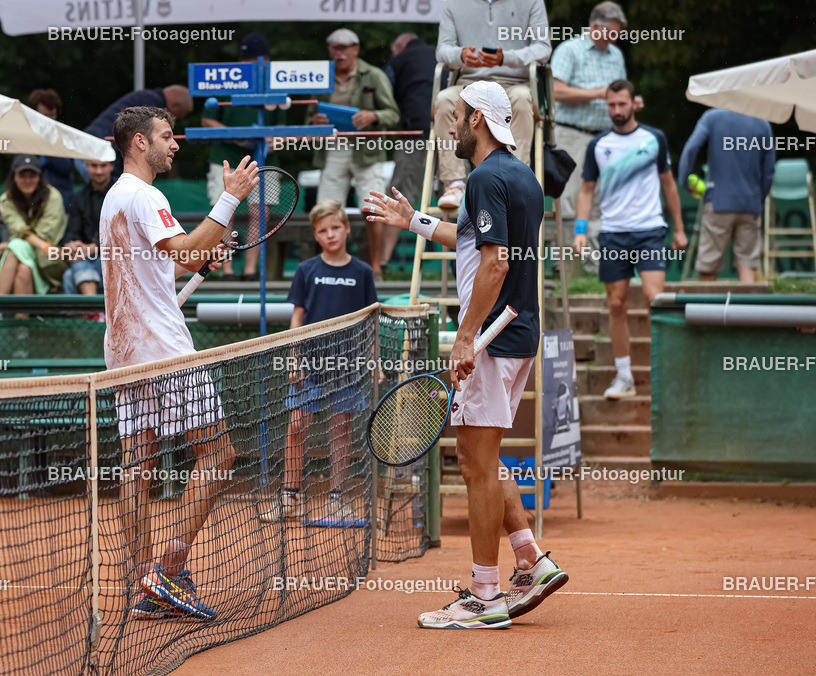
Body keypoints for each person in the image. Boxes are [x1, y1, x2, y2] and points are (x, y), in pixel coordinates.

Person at [364, 81, 568, 629]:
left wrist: (463, 338)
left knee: (475, 466)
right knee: (487, 458)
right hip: (518, 334)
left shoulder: (481, 177)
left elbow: (495, 265)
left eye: (455, 117)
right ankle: (531, 559)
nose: (449, 127)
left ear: (477, 119)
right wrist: (414, 222)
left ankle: (484, 596)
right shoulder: (521, 175)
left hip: (490, 338)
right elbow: (477, 241)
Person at [99, 106, 257, 619]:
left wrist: (199, 256)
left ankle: (141, 580)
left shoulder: (114, 199)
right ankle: (168, 569)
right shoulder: (145, 195)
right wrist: (230, 198)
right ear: (139, 143)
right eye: (167, 137)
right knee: (219, 453)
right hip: (163, 349)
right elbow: (187, 249)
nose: (175, 144)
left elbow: (177, 260)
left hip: (125, 350)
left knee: (136, 466)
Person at [260, 200, 377, 524]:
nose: (330, 235)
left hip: (349, 366)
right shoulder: (306, 270)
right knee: (296, 428)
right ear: (316, 234)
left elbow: (369, 323)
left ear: (347, 228)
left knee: (341, 430)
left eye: (335, 228)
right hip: (309, 364)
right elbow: (297, 317)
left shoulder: (362, 273)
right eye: (323, 231)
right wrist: (293, 359)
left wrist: (374, 362)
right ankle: (290, 497)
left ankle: (337, 498)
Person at [573, 79, 686, 399]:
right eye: (611, 105)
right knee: (617, 303)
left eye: (622, 104)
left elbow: (669, 185)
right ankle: (625, 377)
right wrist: (580, 232)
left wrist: (678, 228)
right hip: (612, 234)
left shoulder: (655, 138)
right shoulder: (598, 145)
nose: (617, 111)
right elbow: (586, 191)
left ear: (634, 103)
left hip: (650, 230)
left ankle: (666, 372)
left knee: (655, 299)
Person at [434, 0, 551, 209]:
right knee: (443, 100)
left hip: (514, 84)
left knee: (523, 99)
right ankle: (454, 183)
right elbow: (442, 50)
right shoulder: (454, 3)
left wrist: (505, 58)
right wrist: (460, 54)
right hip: (468, 85)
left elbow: (543, 49)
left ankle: (515, 181)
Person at [552, 1, 637, 272]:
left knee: (601, 200)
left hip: (606, 136)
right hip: (571, 133)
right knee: (569, 198)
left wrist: (630, 104)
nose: (614, 38)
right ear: (595, 27)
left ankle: (595, 268)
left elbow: (619, 94)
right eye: (611, 33)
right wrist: (598, 93)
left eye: (617, 34)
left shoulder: (616, 56)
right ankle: (567, 268)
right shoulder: (569, 50)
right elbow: (556, 91)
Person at [308, 28, 400, 279]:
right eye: (335, 48)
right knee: (325, 209)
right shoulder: (320, 77)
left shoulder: (374, 75)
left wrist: (373, 116)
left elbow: (393, 114)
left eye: (344, 48)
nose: (339, 53)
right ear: (329, 50)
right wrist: (315, 121)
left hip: (367, 149)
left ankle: (376, 268)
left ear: (356, 48)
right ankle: (327, 266)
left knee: (373, 210)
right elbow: (308, 116)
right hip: (333, 148)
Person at [201, 32, 281, 281]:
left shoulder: (274, 85)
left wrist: (270, 140)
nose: (253, 66)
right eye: (247, 61)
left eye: (258, 61)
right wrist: (233, 135)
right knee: (225, 212)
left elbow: (281, 129)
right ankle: (226, 269)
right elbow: (206, 120)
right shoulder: (227, 79)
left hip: (262, 159)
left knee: (260, 213)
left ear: (267, 60)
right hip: (226, 157)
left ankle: (249, 271)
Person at [677, 108, 775, 283]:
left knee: (708, 267)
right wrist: (757, 199)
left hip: (718, 202)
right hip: (750, 205)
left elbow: (691, 148)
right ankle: (748, 310)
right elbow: (769, 171)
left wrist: (685, 181)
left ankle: (708, 311)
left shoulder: (712, 117)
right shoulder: (763, 123)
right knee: (747, 267)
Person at [383, 32, 440, 269]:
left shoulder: (397, 61)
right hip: (449, 132)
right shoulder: (441, 54)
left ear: (399, 47)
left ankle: (383, 261)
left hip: (412, 135)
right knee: (454, 195)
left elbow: (386, 97)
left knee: (398, 195)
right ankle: (464, 257)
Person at [0, 155, 68, 295]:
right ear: (14, 177)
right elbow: (20, 229)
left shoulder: (53, 196)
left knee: (16, 246)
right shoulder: (6, 199)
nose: (27, 180)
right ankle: (21, 316)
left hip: (49, 263)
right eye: (22, 175)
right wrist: (16, 242)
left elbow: (44, 236)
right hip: (25, 258)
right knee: (23, 269)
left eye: (32, 175)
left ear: (39, 177)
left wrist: (8, 244)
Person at [85, 85, 193, 182]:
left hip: (95, 144)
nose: (175, 146)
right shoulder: (152, 108)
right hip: (99, 148)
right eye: (165, 137)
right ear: (175, 106)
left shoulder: (146, 97)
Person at [61, 159, 115, 295]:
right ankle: (93, 315)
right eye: (94, 166)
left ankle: (88, 316)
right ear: (86, 167)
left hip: (115, 258)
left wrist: (91, 248)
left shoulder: (120, 194)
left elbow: (120, 235)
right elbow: (72, 231)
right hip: (87, 258)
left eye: (103, 165)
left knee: (70, 275)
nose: (99, 171)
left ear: (111, 166)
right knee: (73, 269)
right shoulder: (79, 198)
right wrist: (71, 245)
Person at [29, 88, 78, 211]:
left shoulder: (65, 135)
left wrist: (48, 142)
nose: (49, 120)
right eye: (44, 116)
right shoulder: (25, 136)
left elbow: (67, 167)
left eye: (52, 115)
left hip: (62, 203)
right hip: (33, 204)